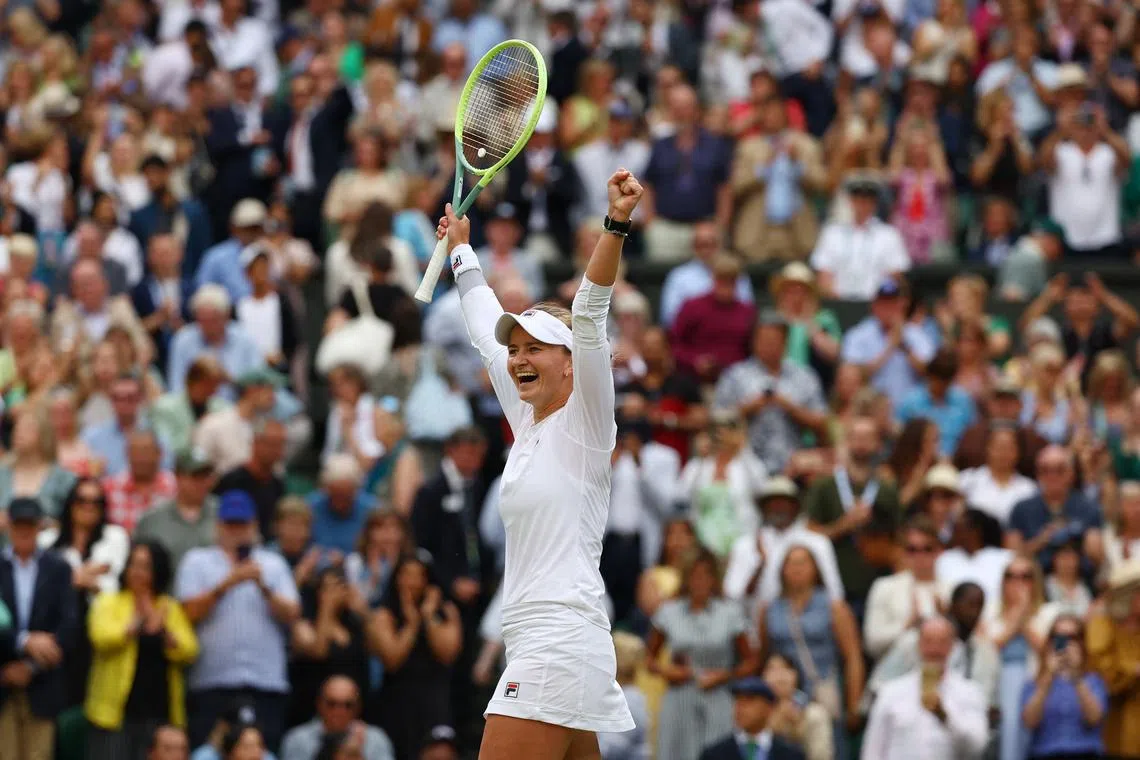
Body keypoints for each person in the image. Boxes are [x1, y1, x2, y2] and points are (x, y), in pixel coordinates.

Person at [435, 169, 643, 758]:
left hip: (558, 639)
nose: (519, 358)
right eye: (517, 349)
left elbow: (591, 307)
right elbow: (483, 328)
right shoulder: (527, 417)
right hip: (540, 640)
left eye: (535, 348)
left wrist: (616, 223)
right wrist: (463, 251)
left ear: (572, 361)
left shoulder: (587, 421)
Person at [84, 541, 200, 760]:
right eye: (134, 565)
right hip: (114, 714)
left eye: (146, 567)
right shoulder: (109, 602)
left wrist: (165, 633)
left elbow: (190, 651)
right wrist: (137, 623)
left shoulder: (168, 607)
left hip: (159, 714)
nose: (138, 573)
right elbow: (100, 638)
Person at [646, 549, 757, 760]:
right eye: (694, 575)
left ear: (714, 579)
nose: (700, 582)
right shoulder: (669, 612)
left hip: (718, 696)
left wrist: (725, 675)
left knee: (718, 753)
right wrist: (669, 671)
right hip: (678, 698)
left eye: (706, 575)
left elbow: (751, 661)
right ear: (686, 578)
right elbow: (649, 659)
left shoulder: (730, 613)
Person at [0, 498, 77, 760]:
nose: (24, 531)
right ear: (8, 526)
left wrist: (31, 666)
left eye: (29, 525)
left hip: (43, 683)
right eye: (18, 524)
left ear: (39, 527)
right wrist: (23, 642)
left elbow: (69, 626)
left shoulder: (58, 568)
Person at [371, 553, 462, 759]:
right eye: (406, 575)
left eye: (419, 575)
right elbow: (392, 660)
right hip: (398, 702)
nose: (412, 582)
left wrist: (428, 616)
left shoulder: (445, 611)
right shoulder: (384, 614)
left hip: (436, 699)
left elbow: (448, 654)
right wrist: (412, 622)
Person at [860, 617, 989, 760]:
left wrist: (945, 717)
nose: (934, 650)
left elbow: (977, 747)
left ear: (952, 646)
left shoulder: (969, 692)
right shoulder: (891, 692)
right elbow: (873, 751)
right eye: (928, 642)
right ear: (919, 645)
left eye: (941, 642)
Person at [1021, 615, 1107, 759]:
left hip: (1084, 753)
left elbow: (1094, 719)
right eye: (1058, 636)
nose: (1066, 643)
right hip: (1045, 754)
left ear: (1082, 642)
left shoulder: (1094, 680)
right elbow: (1029, 722)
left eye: (1072, 637)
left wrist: (1076, 676)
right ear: (1050, 641)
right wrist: (1049, 675)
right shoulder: (1034, 682)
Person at [279, 676, 394, 760]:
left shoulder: (375, 739)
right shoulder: (298, 740)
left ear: (358, 707)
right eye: (332, 704)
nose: (339, 711)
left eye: (348, 705)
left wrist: (359, 755)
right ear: (319, 704)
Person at [697, 677, 806, 760]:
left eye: (749, 700)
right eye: (738, 700)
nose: (740, 707)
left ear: (769, 708)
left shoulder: (791, 755)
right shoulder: (713, 755)